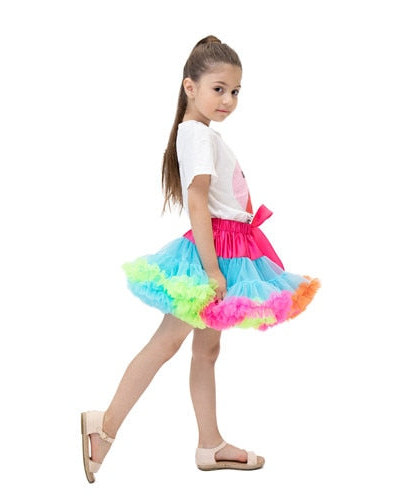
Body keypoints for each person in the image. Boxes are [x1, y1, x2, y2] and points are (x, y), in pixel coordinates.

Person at [81, 35, 320, 483]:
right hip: (213, 253)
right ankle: (104, 426)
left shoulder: (204, 134)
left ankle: (210, 443)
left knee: (207, 349)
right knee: (167, 343)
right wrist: (211, 271)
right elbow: (197, 201)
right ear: (189, 87)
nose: (228, 100)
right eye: (218, 88)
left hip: (231, 248)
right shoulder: (194, 135)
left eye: (235, 91)